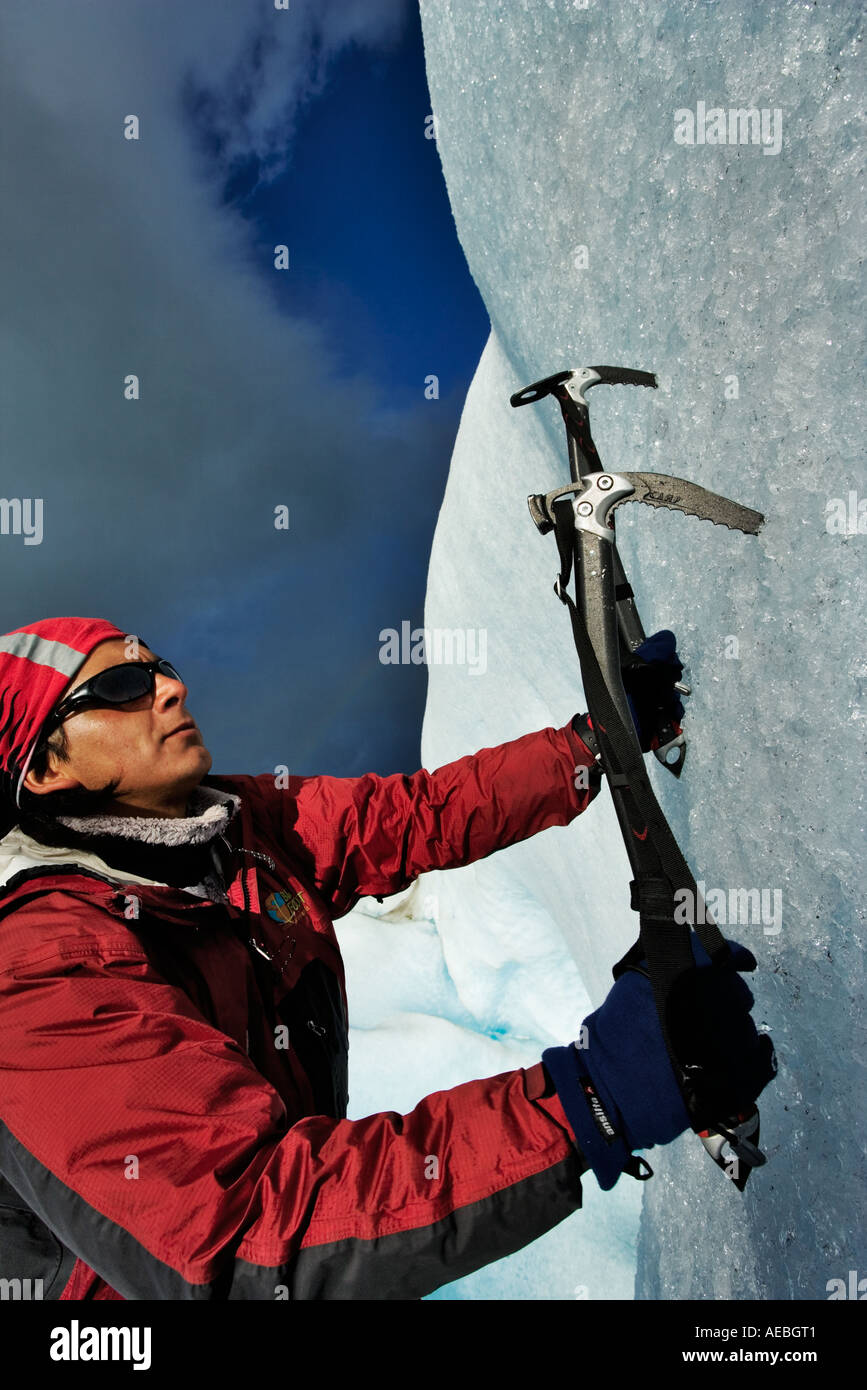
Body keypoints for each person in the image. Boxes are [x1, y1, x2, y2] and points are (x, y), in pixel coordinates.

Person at [0, 616, 774, 1300]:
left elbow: (413, 818)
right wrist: (588, 1101)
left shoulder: (230, 830)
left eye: (157, 665)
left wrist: (588, 746)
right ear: (43, 768)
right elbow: (243, 1236)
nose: (169, 686)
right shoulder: (40, 972)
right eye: (125, 685)